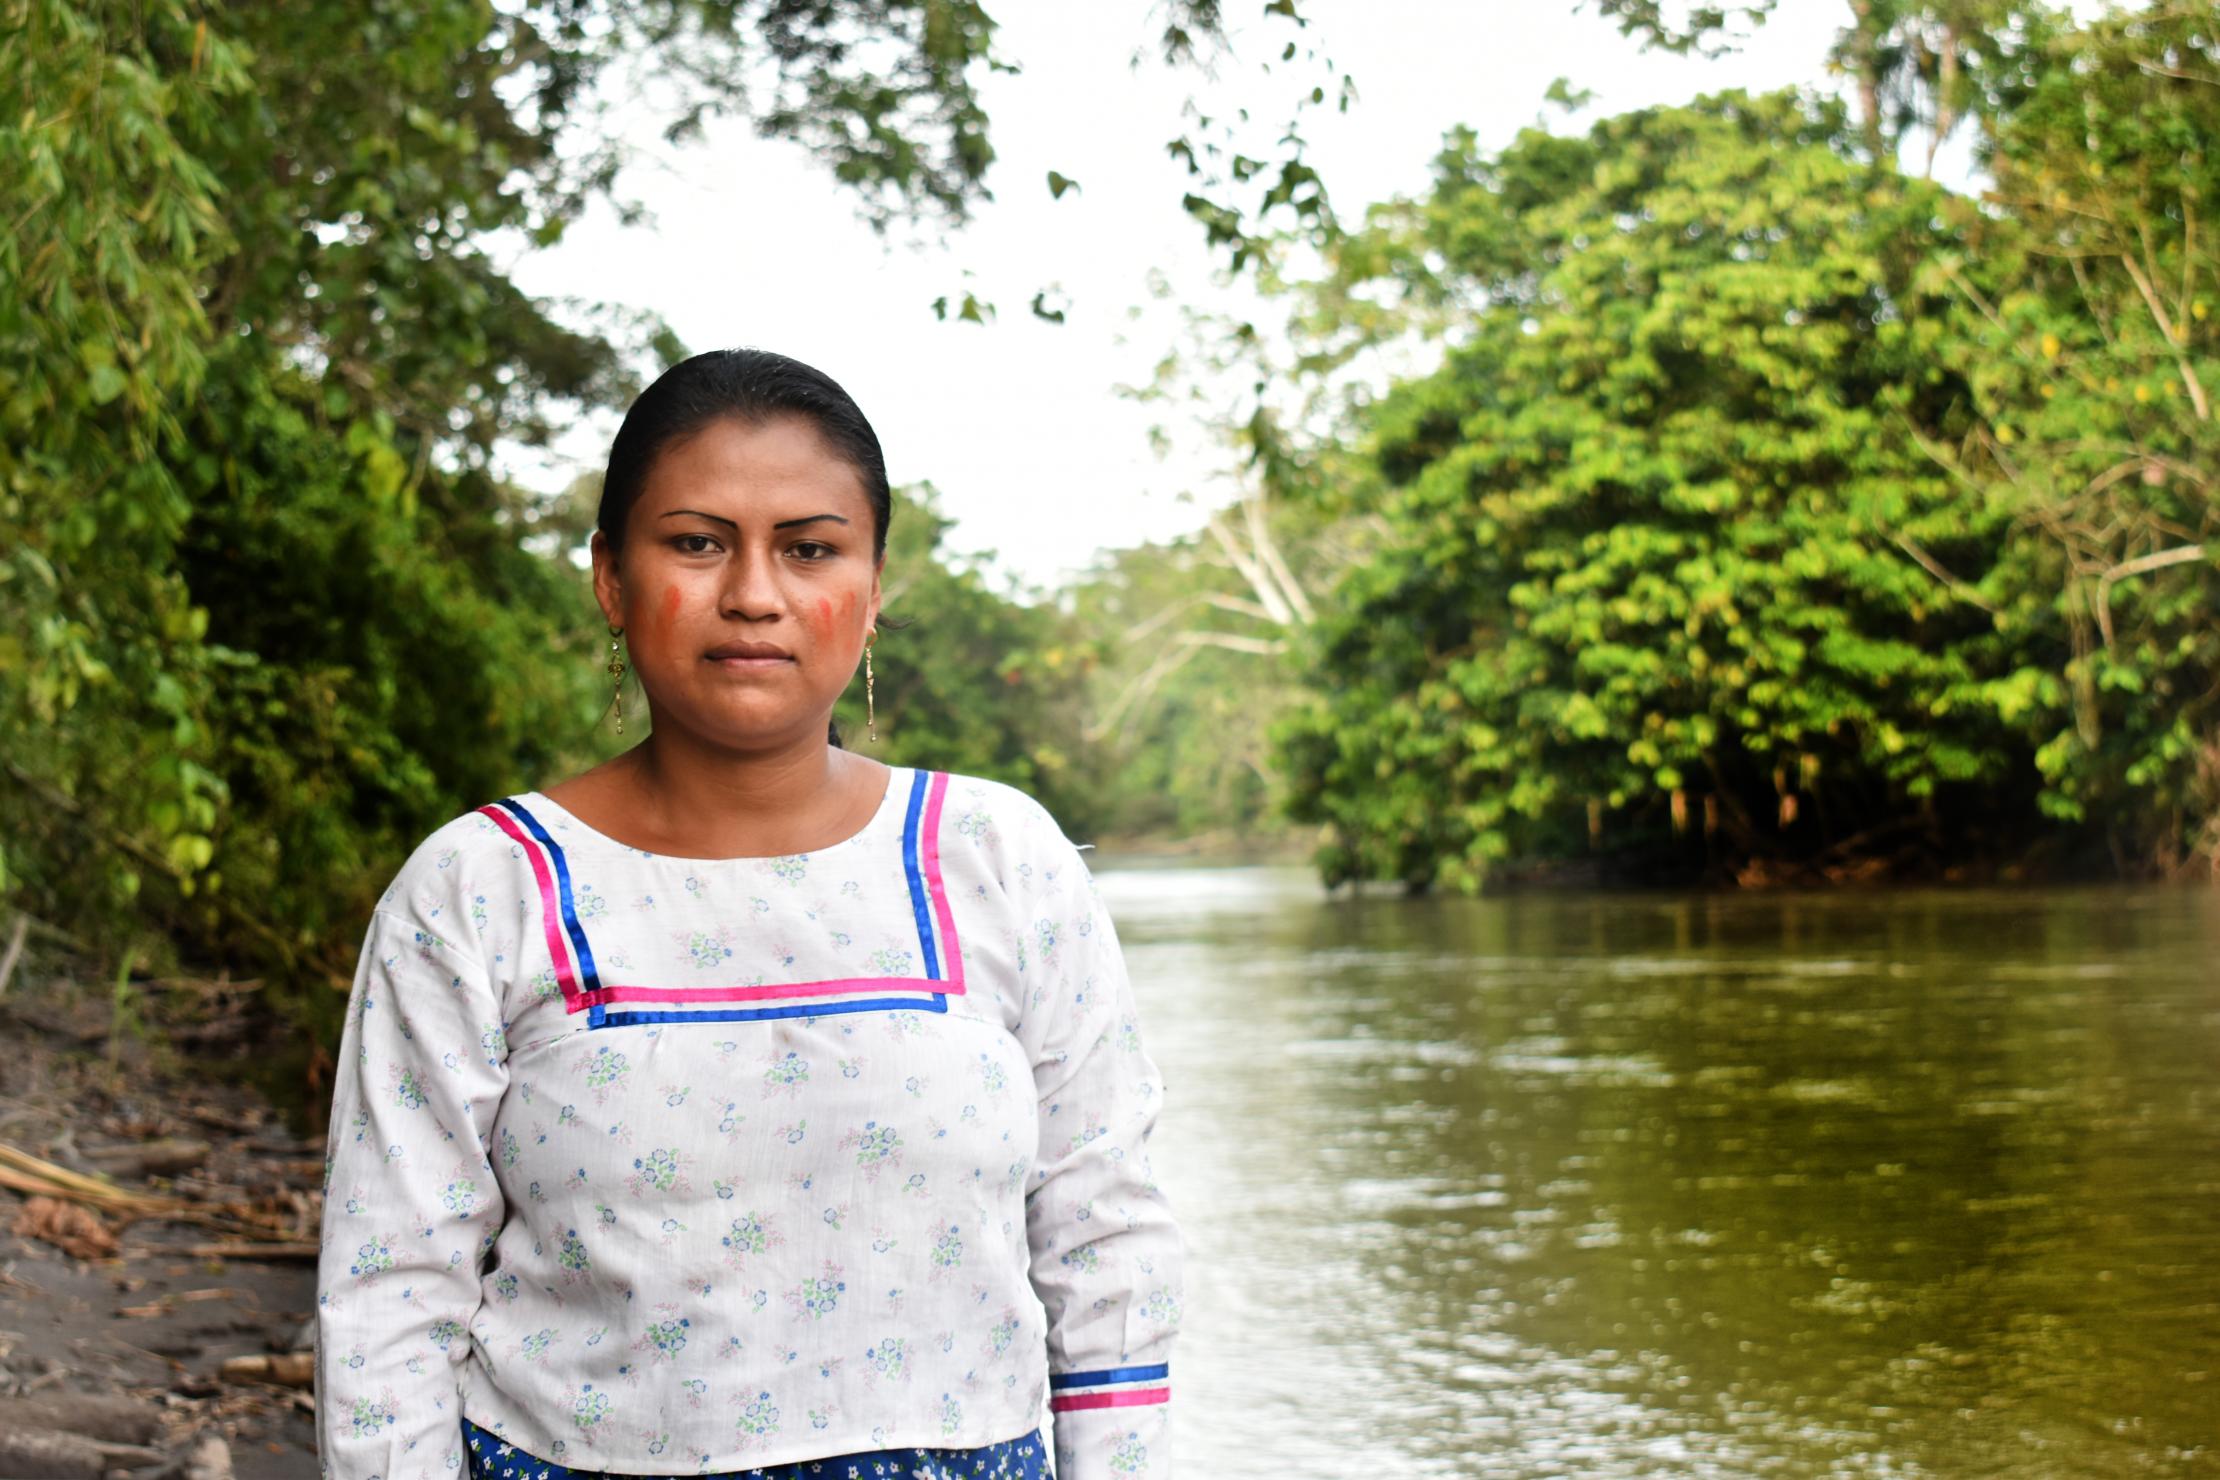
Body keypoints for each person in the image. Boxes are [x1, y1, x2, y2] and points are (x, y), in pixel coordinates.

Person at [314, 349, 1183, 1480]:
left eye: (810, 548)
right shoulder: (486, 887)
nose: (754, 594)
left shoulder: (998, 862)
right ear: (612, 581)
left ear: (871, 592)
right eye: (696, 542)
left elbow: (1105, 1244)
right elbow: (389, 1290)